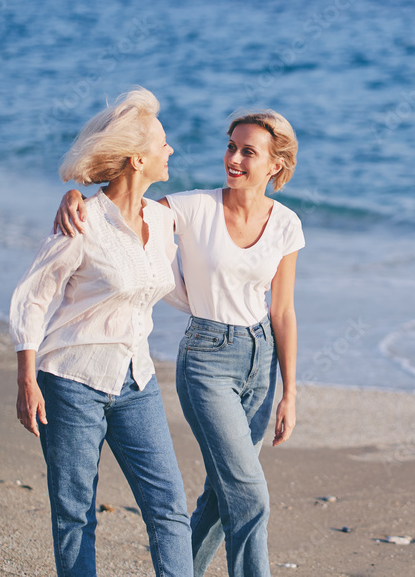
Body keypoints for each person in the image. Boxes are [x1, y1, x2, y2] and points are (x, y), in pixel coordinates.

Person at [56, 110, 303, 577]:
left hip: (261, 360)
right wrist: (77, 195)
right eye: (231, 146)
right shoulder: (191, 208)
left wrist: (290, 391)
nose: (233, 157)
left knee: (223, 489)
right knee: (250, 494)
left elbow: (283, 311)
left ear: (274, 164)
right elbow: (121, 203)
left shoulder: (286, 224)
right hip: (207, 360)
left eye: (248, 151)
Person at [11, 87, 193, 577]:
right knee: (75, 515)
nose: (170, 150)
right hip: (70, 380)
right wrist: (26, 379)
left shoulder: (164, 217)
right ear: (137, 159)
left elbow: (223, 219)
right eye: (162, 143)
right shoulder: (82, 221)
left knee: (170, 509)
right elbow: (32, 296)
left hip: (137, 381)